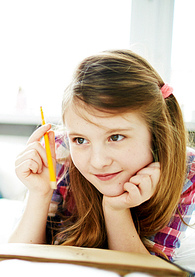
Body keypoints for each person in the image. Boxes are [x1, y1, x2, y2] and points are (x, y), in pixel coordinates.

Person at [10, 49, 194, 261]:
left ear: (156, 132)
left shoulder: (185, 169)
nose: (98, 162)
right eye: (80, 140)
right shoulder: (60, 153)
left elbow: (149, 276)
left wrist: (116, 210)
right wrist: (39, 193)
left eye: (115, 137)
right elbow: (15, 260)